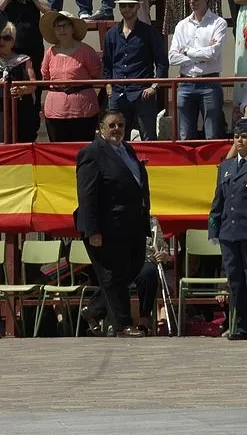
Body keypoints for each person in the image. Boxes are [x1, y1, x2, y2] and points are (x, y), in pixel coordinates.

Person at [75, 109, 151, 338]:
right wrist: (93, 230)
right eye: (112, 125)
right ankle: (122, 325)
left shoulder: (127, 150)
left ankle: (94, 309)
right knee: (113, 275)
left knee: (134, 268)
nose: (117, 129)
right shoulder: (92, 153)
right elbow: (87, 195)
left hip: (132, 225)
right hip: (107, 227)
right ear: (101, 128)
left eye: (120, 125)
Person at [209, 119, 247, 341]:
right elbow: (219, 200)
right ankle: (242, 324)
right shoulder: (226, 167)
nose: (240, 141)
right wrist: (213, 228)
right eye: (236, 137)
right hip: (229, 231)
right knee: (235, 280)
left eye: (244, 137)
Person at [102, 0, 168, 141]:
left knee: (148, 137)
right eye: (123, 5)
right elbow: (107, 63)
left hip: (142, 93)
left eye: (130, 5)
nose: (127, 9)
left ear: (138, 6)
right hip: (118, 93)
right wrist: (108, 85)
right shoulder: (111, 34)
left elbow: (162, 62)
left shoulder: (149, 33)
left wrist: (154, 87)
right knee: (115, 138)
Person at [167, 0, 227, 141]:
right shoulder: (181, 25)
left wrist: (187, 51)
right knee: (185, 136)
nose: (192, 1)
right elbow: (172, 57)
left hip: (210, 82)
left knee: (212, 135)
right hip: (186, 83)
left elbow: (213, 53)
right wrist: (201, 56)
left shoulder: (219, 23)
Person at [40, 11, 101, 142]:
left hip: (83, 109)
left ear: (73, 28)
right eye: (58, 26)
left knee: (83, 148)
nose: (61, 30)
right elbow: (46, 76)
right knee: (58, 149)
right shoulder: (49, 53)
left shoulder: (86, 51)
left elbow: (97, 73)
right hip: (55, 111)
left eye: (65, 25)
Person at [0, 0, 48, 99]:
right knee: (10, 85)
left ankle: (34, 108)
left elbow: (49, 11)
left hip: (33, 47)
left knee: (34, 83)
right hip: (10, 48)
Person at [0, 20, 38, 143]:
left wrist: (22, 89)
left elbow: (33, 83)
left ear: (13, 41)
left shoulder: (23, 60)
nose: (1, 41)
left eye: (6, 38)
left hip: (20, 110)